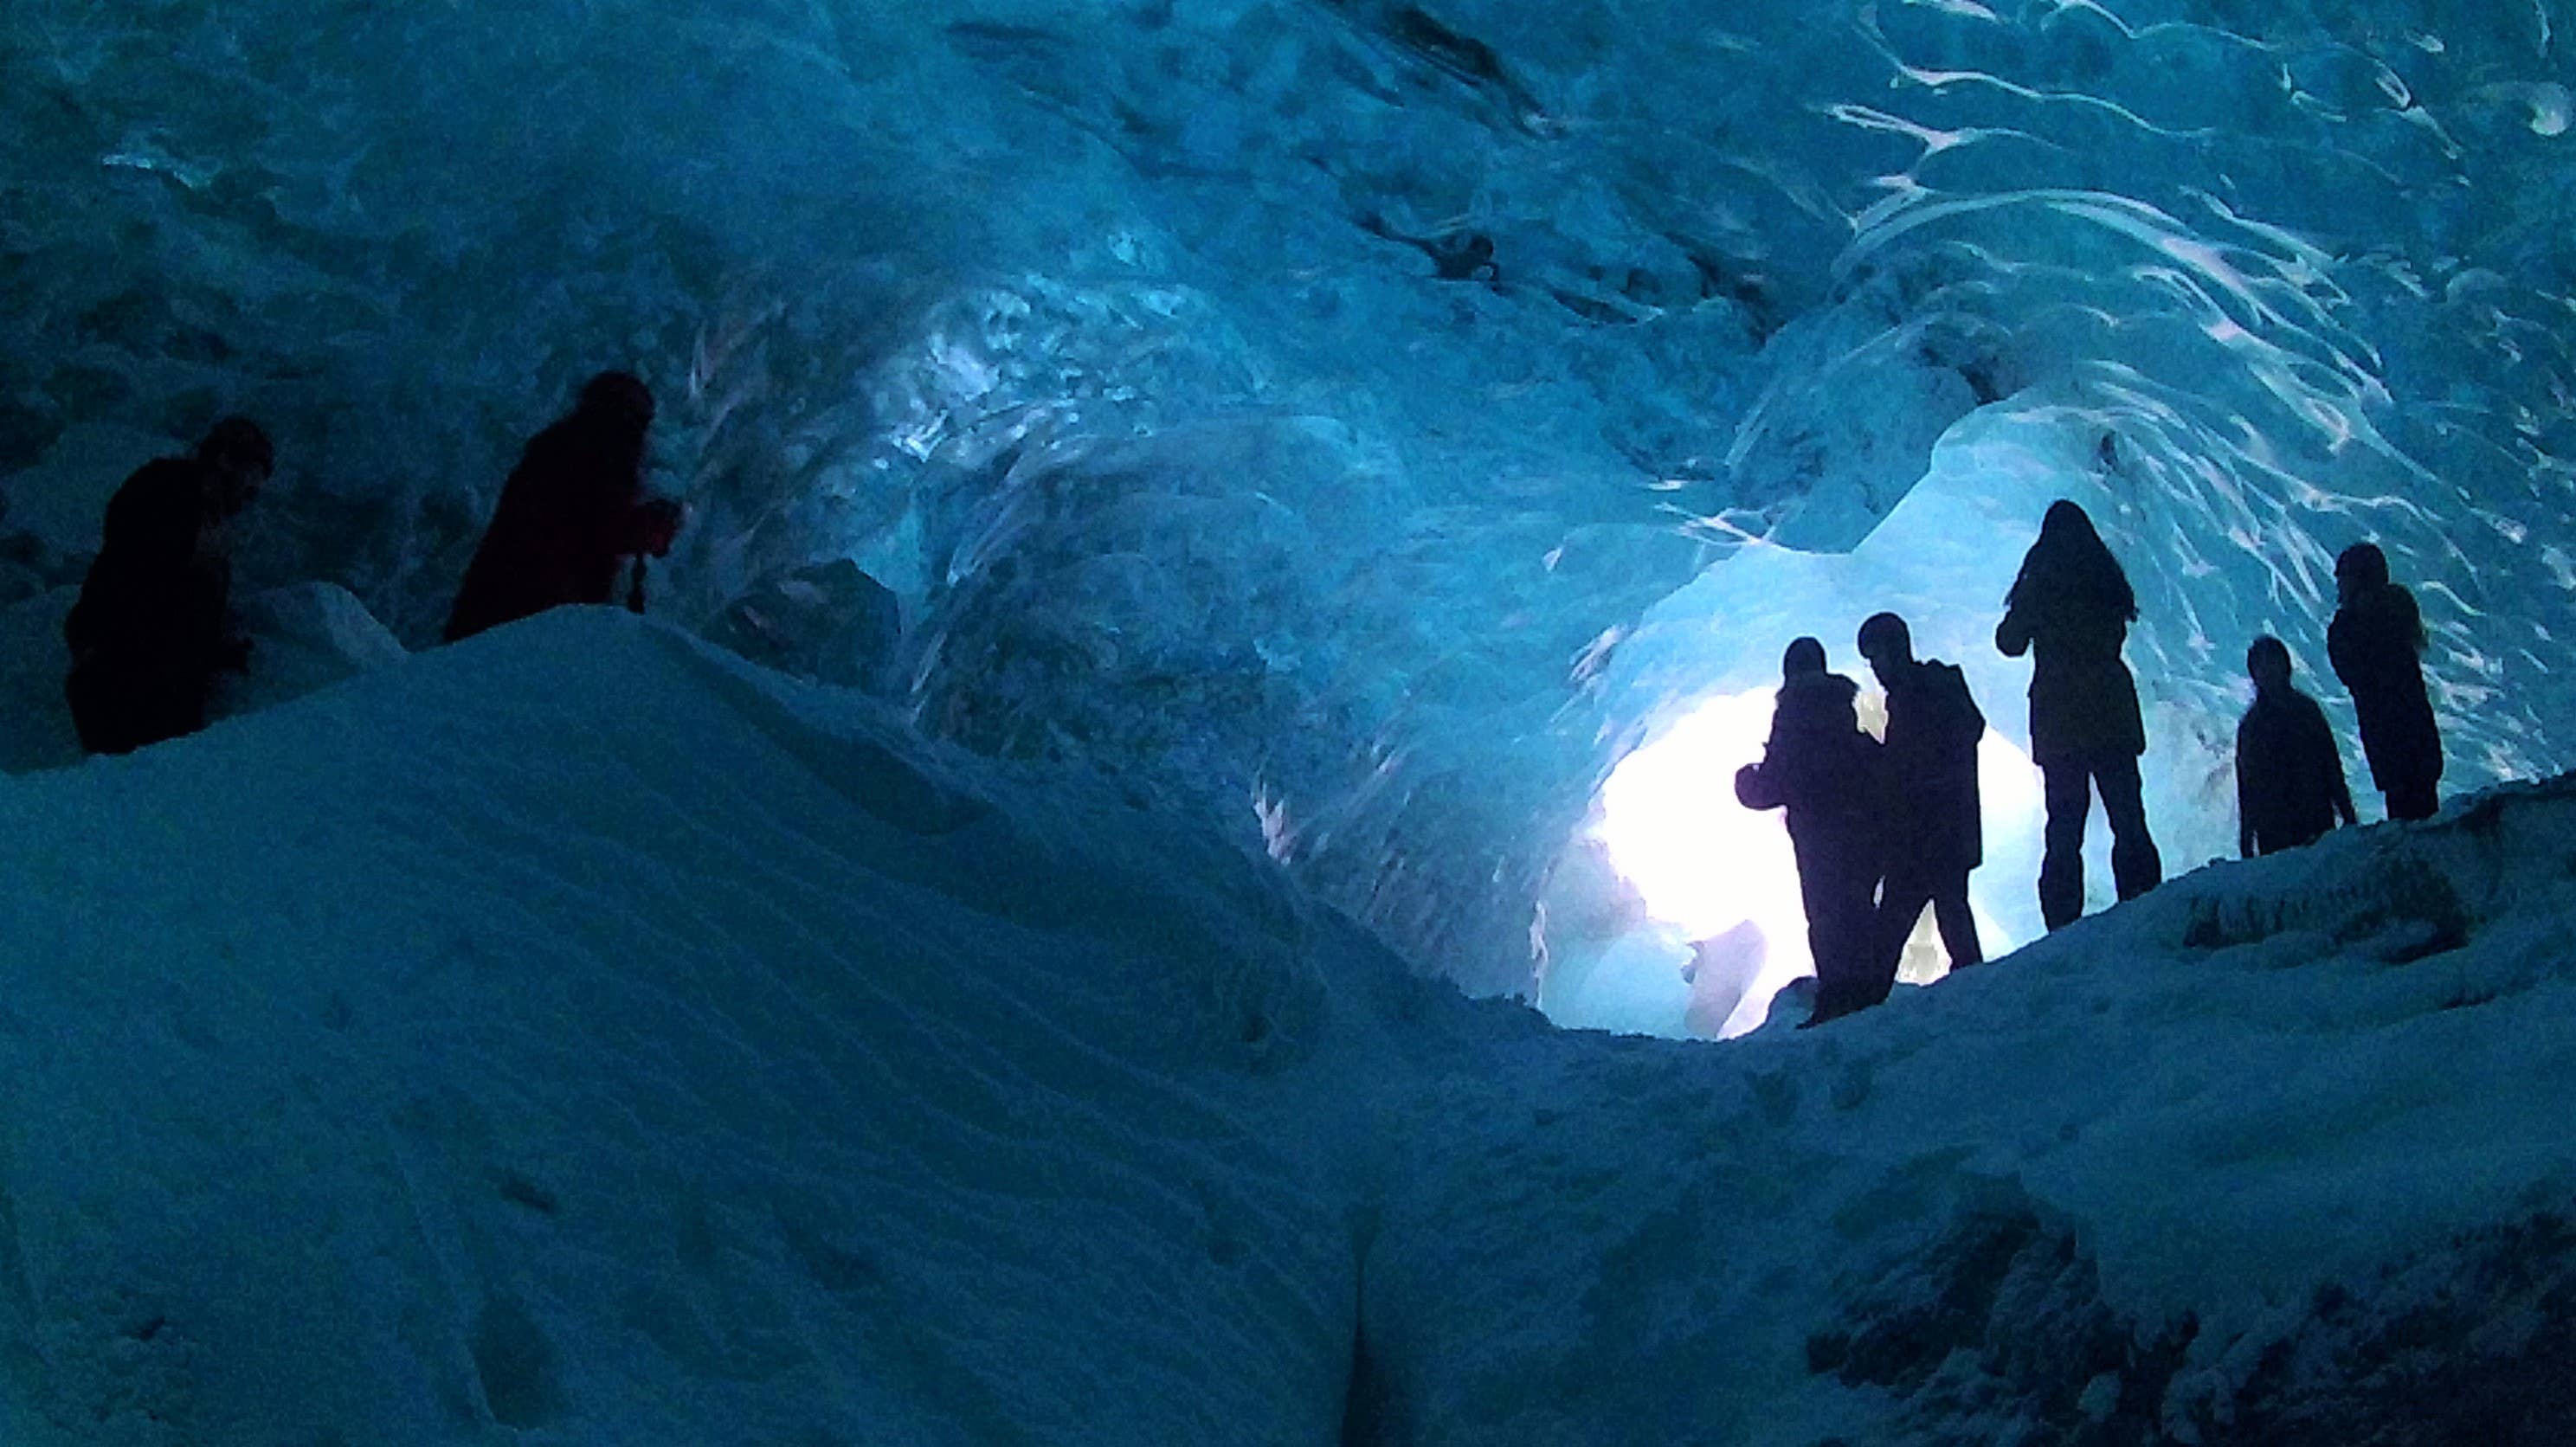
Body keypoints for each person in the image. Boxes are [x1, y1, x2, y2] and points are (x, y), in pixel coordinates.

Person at [1995, 499, 2162, 929]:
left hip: (2060, 717)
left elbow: (2009, 642)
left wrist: (2032, 598)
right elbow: (2120, 624)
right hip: (2110, 710)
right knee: (2128, 814)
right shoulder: (2104, 578)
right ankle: (2143, 903)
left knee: (2065, 824)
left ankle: (2062, 922)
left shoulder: (2042, 583)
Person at [64, 418, 271, 755]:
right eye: (252, 479)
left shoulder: (210, 532)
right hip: (117, 675)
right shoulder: (164, 487)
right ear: (226, 461)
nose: (253, 495)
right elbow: (138, 562)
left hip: (154, 687)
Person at [444, 371, 684, 643]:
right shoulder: (602, 454)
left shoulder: (558, 447)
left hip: (499, 602)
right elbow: (602, 527)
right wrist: (651, 528)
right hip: (540, 610)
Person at [1735, 637, 1885, 1026]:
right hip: (1861, 828)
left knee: (1826, 915)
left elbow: (1777, 780)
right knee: (1859, 910)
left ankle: (1836, 997)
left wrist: (1745, 781)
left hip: (1818, 836)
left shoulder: (1793, 713)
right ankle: (1867, 993)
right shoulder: (1841, 707)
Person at [1856, 612, 1985, 982]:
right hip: (1951, 831)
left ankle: (1864, 1001)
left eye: (1876, 657)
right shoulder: (1942, 686)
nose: (1876, 669)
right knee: (1952, 913)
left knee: (1891, 928)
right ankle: (1978, 991)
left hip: (1921, 837)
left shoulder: (1914, 696)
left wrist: (1873, 756)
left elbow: (1908, 767)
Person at [2327, 542, 2442, 822]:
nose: (2339, 586)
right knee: (2422, 802)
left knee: (2404, 804)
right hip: (2413, 728)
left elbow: (2350, 672)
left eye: (2344, 577)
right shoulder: (2397, 608)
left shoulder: (2353, 623)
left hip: (2387, 731)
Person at [2235, 635, 2356, 857]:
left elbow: (2331, 767)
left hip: (2314, 814)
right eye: (2261, 665)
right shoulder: (2251, 725)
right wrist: (2246, 840)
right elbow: (2246, 787)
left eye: (2273, 662)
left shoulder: (2307, 711)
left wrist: (2348, 815)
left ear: (2286, 666)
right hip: (2273, 826)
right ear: (2254, 675)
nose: (2268, 670)